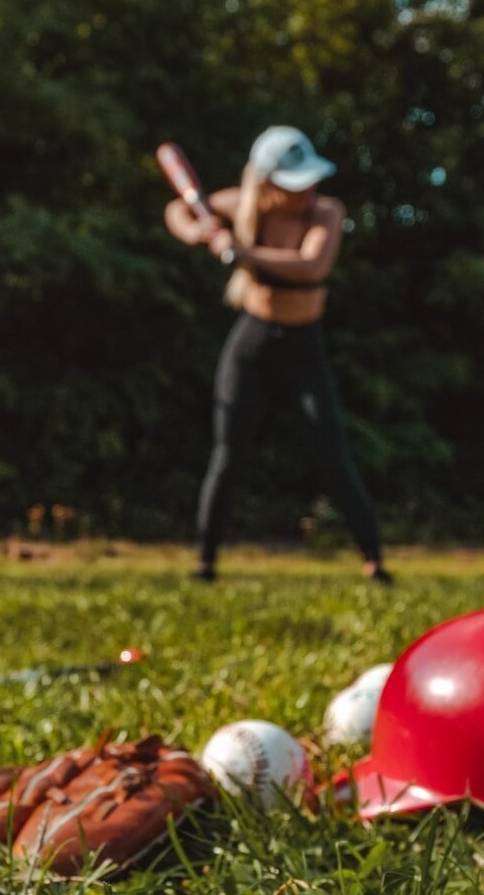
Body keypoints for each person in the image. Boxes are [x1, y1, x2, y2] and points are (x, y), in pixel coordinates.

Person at [164, 125, 391, 584]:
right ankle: (205, 563)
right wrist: (196, 231)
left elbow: (312, 264)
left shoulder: (326, 211)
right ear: (265, 183)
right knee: (228, 454)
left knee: (333, 454)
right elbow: (176, 208)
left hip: (304, 349)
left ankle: (373, 562)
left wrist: (241, 249)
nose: (306, 189)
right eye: (294, 182)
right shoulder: (247, 206)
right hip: (253, 343)